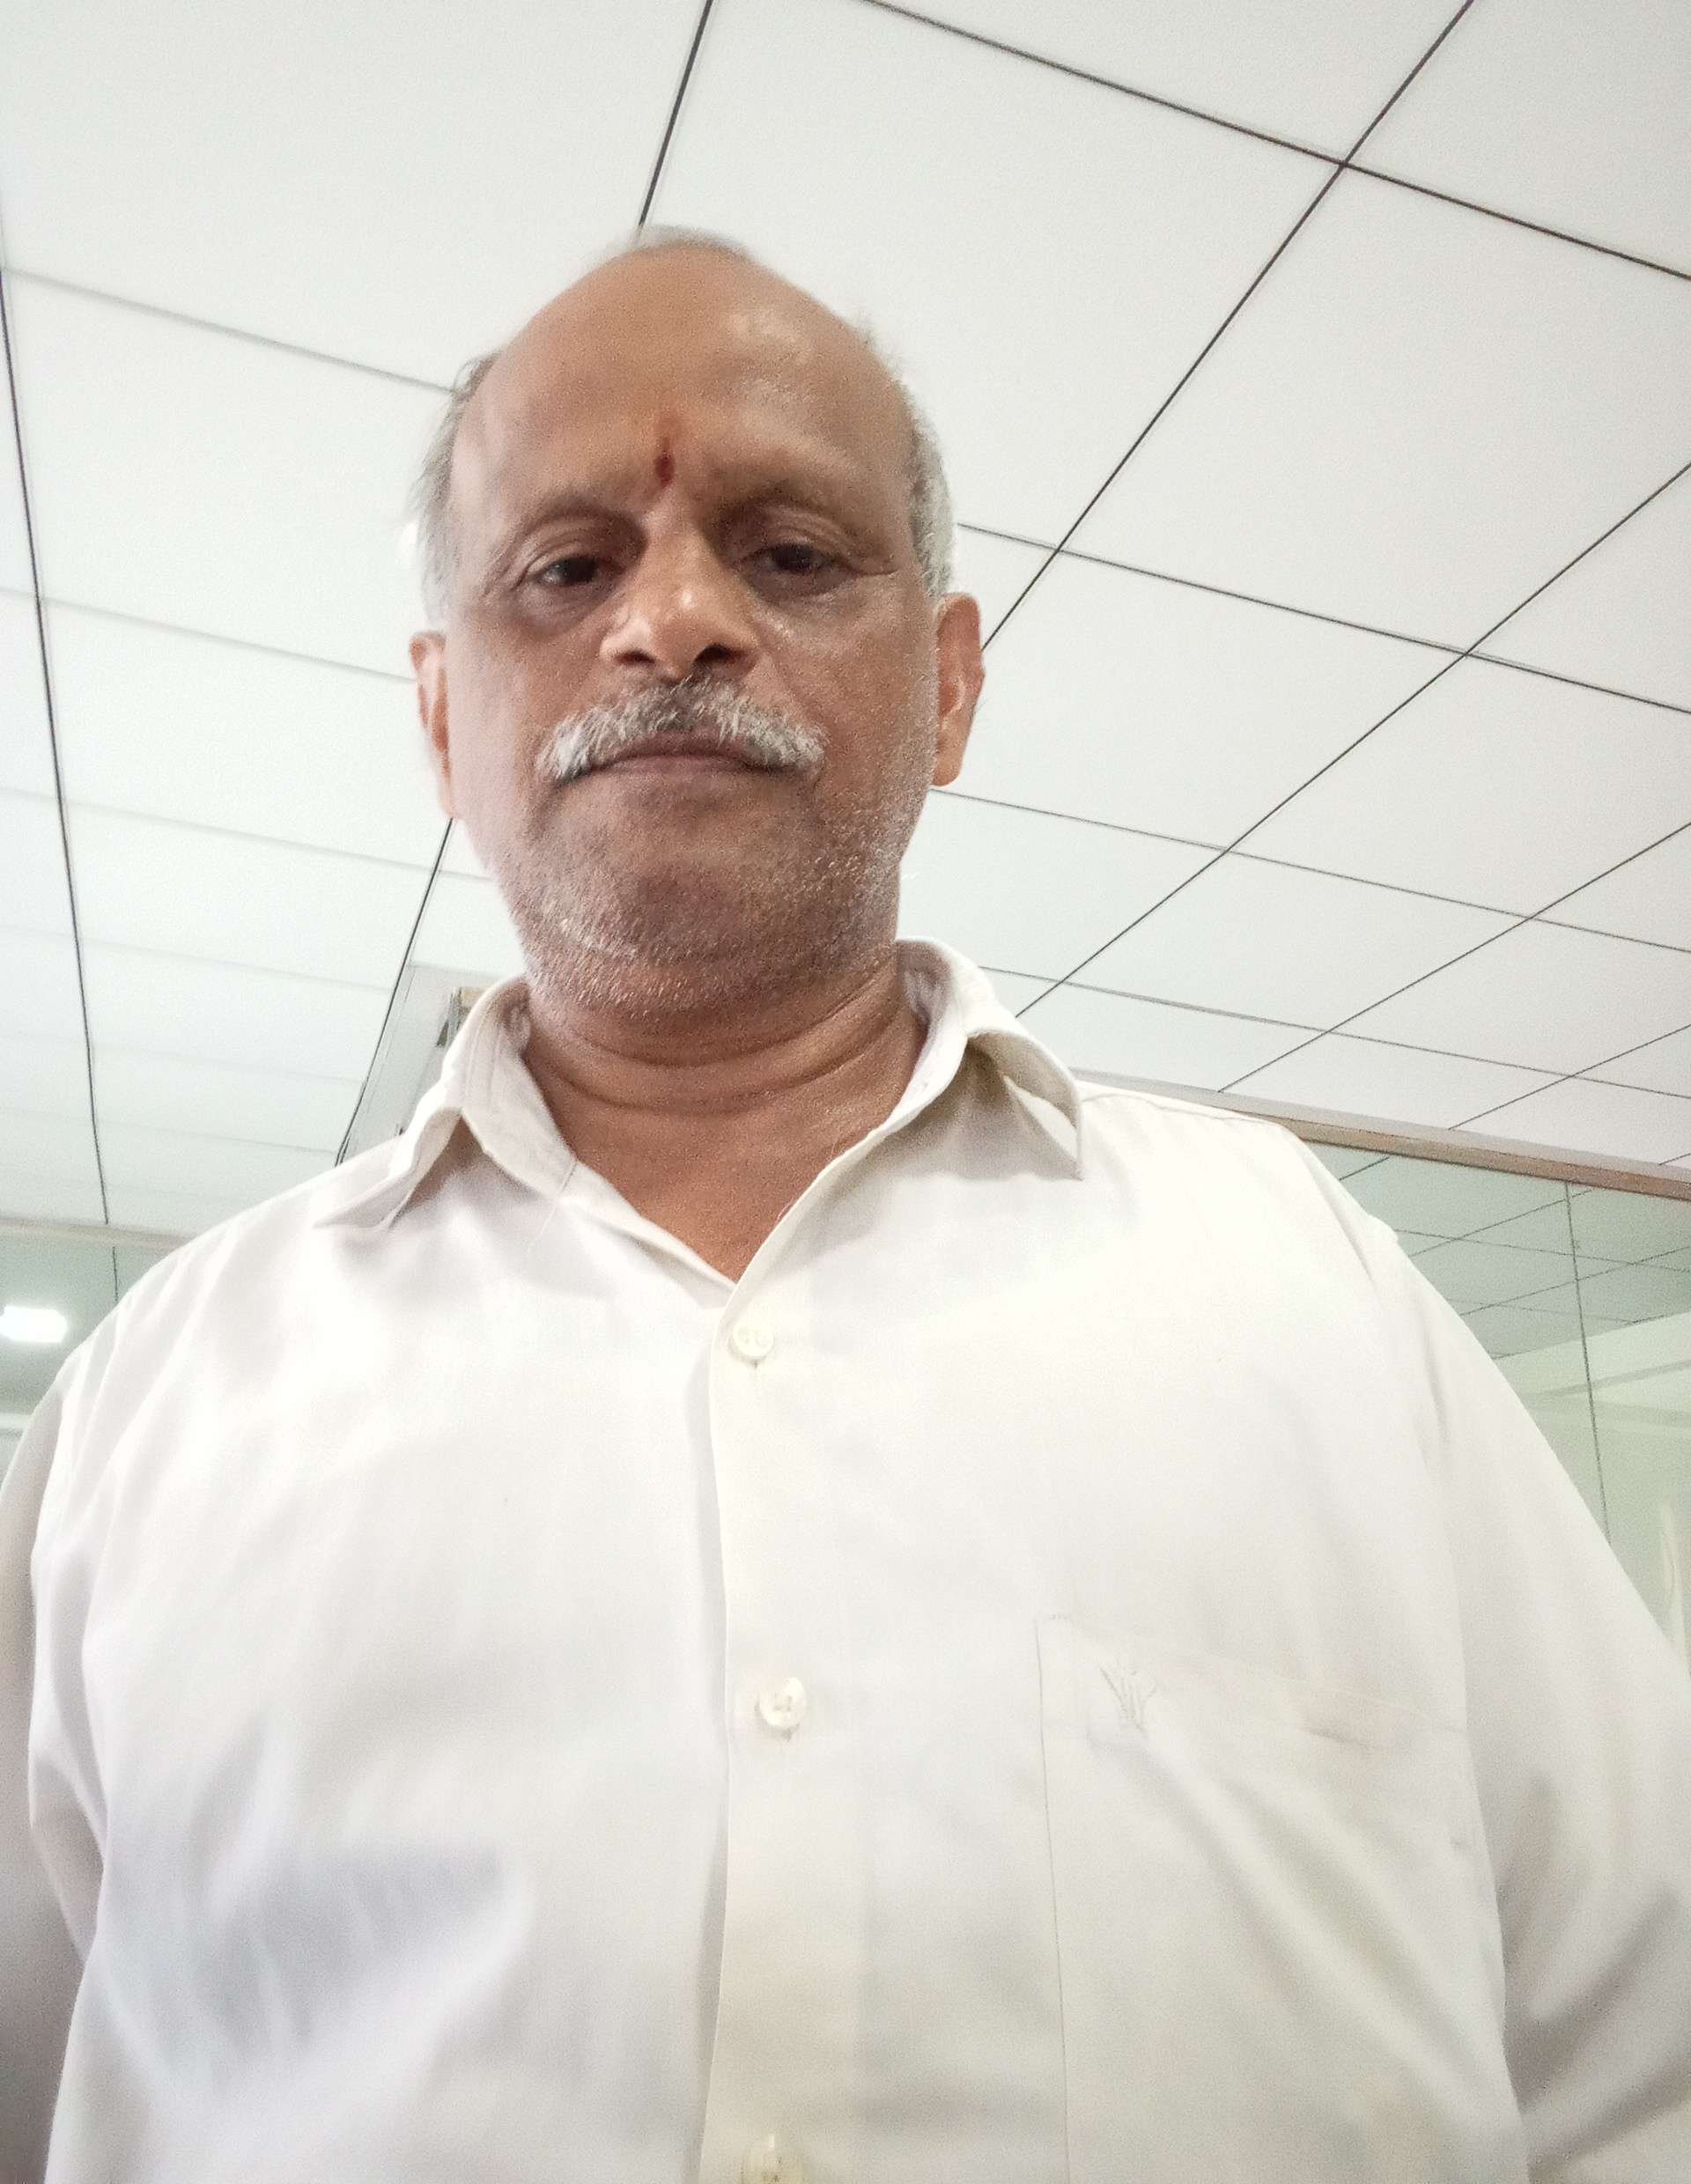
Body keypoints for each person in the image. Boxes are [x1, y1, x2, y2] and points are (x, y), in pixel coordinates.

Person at [2, 225, 1687, 2184]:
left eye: (791, 554)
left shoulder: (1318, 1294)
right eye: (569, 568)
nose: (674, 622)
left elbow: (1645, 2064)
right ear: (442, 715)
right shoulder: (154, 1406)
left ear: (948, 688)